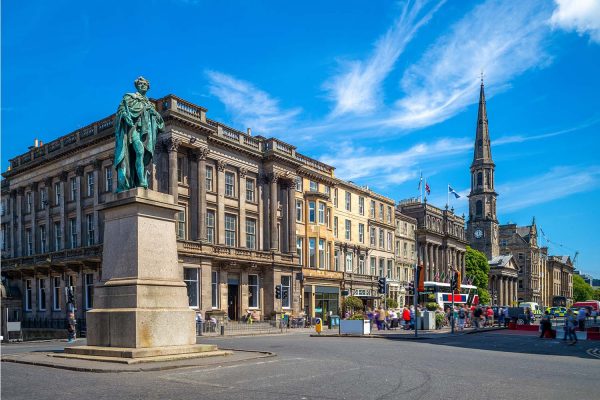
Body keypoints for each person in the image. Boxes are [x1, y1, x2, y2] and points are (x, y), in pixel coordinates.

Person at [114, 76, 165, 192]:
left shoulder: (150, 104)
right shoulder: (129, 97)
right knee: (140, 151)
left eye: (145, 84)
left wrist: (154, 114)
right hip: (133, 129)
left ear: (148, 87)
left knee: (141, 156)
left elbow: (160, 123)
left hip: (145, 133)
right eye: (140, 84)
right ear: (137, 86)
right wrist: (125, 116)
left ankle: (139, 180)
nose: (142, 85)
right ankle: (141, 180)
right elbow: (120, 111)